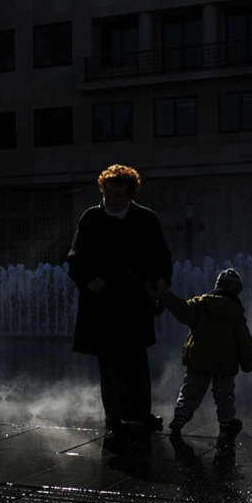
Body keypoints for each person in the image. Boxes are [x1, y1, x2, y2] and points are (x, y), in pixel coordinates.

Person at [66, 164, 173, 432]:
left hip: (135, 299)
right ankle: (113, 414)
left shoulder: (145, 218)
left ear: (130, 194)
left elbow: (160, 255)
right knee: (109, 360)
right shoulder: (91, 218)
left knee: (136, 358)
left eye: (118, 194)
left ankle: (139, 412)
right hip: (102, 301)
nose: (112, 199)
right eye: (108, 193)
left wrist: (161, 282)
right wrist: (91, 280)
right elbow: (75, 258)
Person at [160, 268, 252, 438]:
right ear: (237, 291)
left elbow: (181, 308)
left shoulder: (201, 304)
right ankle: (226, 422)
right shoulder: (236, 314)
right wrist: (247, 363)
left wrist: (166, 295)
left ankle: (180, 417)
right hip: (224, 363)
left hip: (199, 358)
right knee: (224, 395)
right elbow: (245, 342)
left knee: (191, 390)